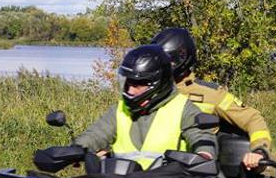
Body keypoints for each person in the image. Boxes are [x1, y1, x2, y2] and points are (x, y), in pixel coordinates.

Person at [152, 27, 272, 178]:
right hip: (151, 176)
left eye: (168, 61)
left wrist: (259, 151)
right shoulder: (148, 92)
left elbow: (253, 118)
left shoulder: (210, 94)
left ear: (183, 59)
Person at [74, 44, 215, 171]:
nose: (130, 90)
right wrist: (75, 150)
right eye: (128, 83)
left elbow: (201, 135)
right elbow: (97, 134)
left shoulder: (183, 108)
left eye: (137, 84)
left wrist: (204, 154)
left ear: (158, 83)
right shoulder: (120, 109)